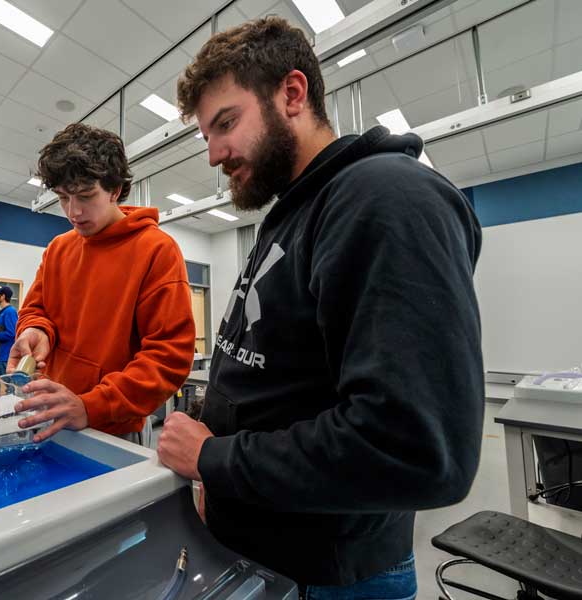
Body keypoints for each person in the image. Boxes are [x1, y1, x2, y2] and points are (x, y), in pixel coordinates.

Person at [156, 17, 484, 597]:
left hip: (330, 577)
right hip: (263, 556)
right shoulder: (292, 213)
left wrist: (216, 459)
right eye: (206, 134)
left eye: (225, 123)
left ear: (291, 93)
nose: (213, 154)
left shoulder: (386, 199)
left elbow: (413, 448)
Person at [7, 123, 196, 445]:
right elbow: (36, 309)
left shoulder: (156, 250)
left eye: (85, 196)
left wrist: (91, 405)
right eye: (63, 198)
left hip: (114, 426)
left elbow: (168, 356)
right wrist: (35, 330)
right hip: (51, 412)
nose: (73, 211)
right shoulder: (58, 249)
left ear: (116, 189)